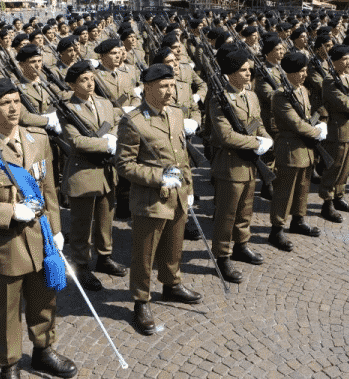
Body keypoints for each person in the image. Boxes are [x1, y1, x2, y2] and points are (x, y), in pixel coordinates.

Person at [0, 78, 77, 379]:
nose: (13, 108)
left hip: (42, 239)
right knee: (7, 312)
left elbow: (49, 191)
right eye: (5, 103)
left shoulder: (38, 140)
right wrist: (10, 211)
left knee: (45, 300)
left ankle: (43, 351)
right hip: (5, 244)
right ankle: (9, 365)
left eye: (17, 100)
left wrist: (57, 231)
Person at [116, 63, 201, 336]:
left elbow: (182, 157)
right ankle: (141, 300)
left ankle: (171, 283)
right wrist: (158, 176)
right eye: (163, 86)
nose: (169, 91)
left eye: (172, 85)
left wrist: (189, 191)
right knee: (144, 254)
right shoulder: (133, 121)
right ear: (147, 88)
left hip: (177, 195)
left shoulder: (175, 114)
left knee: (174, 244)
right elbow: (124, 164)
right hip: (150, 199)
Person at [59, 61, 126, 292]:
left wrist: (114, 139)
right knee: (82, 223)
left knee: (106, 218)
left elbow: (117, 124)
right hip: (83, 172)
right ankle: (81, 264)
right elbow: (75, 141)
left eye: (91, 78)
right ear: (71, 85)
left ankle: (104, 257)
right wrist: (104, 144)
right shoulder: (67, 108)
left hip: (107, 171)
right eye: (83, 80)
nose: (89, 83)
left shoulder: (104, 102)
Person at [208, 48, 271, 283]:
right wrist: (256, 142)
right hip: (230, 165)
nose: (248, 74)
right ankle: (222, 256)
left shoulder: (251, 95)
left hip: (249, 164)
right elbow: (226, 136)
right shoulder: (219, 99)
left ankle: (241, 245)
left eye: (249, 70)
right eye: (243, 70)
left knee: (245, 209)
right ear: (231, 73)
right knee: (227, 214)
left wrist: (265, 137)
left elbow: (257, 123)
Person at [268, 52, 326, 252]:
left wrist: (318, 126)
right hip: (290, 149)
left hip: (306, 148)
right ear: (289, 73)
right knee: (284, 191)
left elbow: (307, 118)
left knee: (303, 188)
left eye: (305, 70)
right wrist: (317, 132)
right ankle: (277, 229)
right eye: (300, 71)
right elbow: (296, 124)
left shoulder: (302, 90)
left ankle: (298, 220)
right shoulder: (280, 95)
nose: (304, 74)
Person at [319, 44, 349, 222]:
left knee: (346, 166)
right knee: (335, 166)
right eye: (344, 59)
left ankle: (339, 196)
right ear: (334, 61)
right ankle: (328, 202)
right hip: (337, 130)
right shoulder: (329, 81)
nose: (348, 62)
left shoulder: (348, 76)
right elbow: (343, 103)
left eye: (348, 58)